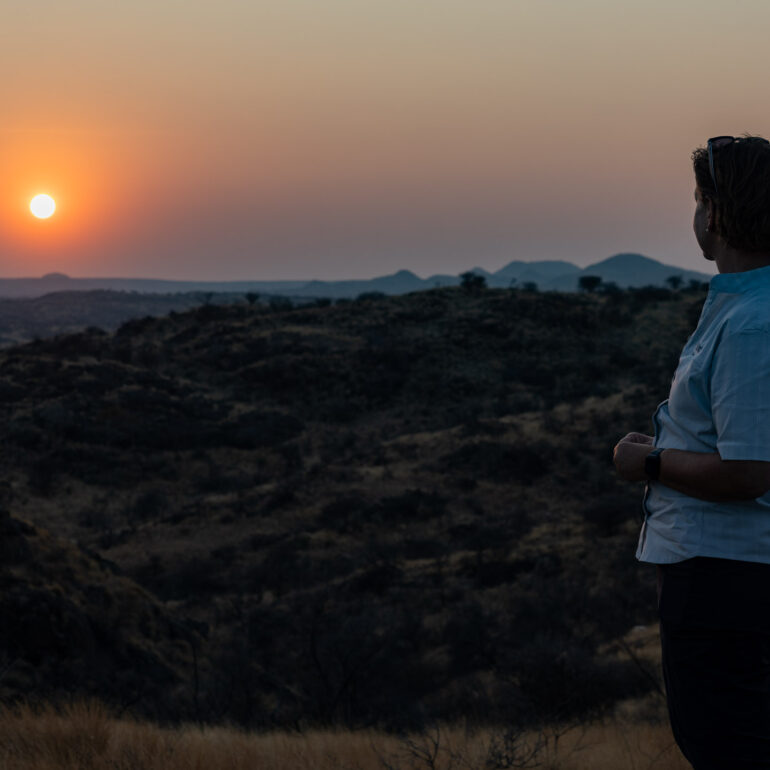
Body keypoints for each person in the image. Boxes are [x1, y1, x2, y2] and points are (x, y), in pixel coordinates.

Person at [613, 135, 770, 769]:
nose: (695, 214)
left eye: (700, 197)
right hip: (722, 576)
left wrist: (648, 463)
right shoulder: (744, 309)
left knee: (727, 747)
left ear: (719, 213)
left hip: (725, 580)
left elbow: (751, 470)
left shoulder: (752, 324)